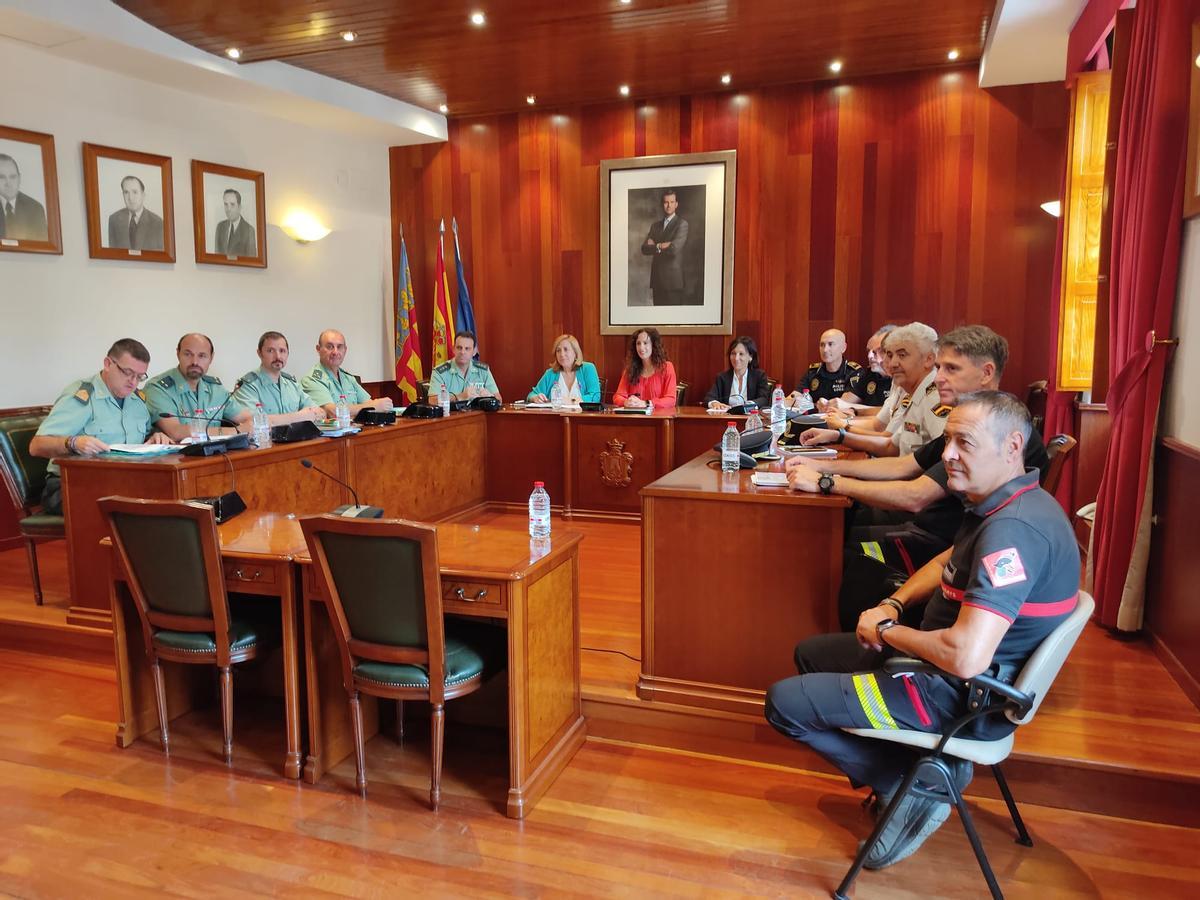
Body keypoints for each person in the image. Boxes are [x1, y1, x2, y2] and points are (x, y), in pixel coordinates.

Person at [766, 391, 1080, 870]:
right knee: (813, 654)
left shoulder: (1013, 531)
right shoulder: (1011, 501)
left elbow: (966, 656)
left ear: (1013, 446)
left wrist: (890, 631)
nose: (948, 454)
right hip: (951, 676)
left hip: (957, 695)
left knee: (785, 704)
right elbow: (946, 561)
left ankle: (919, 782)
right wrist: (893, 602)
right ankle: (917, 771)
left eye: (965, 443)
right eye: (948, 439)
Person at [787, 325, 1049, 629]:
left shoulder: (991, 429)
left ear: (986, 372)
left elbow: (915, 495)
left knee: (835, 551)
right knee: (839, 533)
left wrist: (825, 482)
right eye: (939, 367)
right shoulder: (969, 417)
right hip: (939, 538)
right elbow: (903, 464)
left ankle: (847, 646)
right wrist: (824, 467)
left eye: (951, 368)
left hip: (946, 551)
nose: (938, 378)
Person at [30, 338, 174, 514]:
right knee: (130, 508)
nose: (133, 382)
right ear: (108, 364)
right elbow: (36, 446)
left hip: (124, 482)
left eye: (139, 376)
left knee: (170, 494)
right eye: (127, 372)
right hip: (70, 486)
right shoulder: (81, 397)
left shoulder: (137, 401)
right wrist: (72, 443)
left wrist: (155, 436)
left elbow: (142, 437)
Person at [799, 322, 946, 458]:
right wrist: (839, 432)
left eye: (901, 355)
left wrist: (843, 428)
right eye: (889, 354)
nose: (892, 362)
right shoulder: (905, 387)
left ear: (929, 359)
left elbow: (888, 440)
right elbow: (889, 440)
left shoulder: (935, 396)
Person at [145, 333, 253, 441]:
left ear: (211, 358)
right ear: (178, 354)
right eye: (188, 354)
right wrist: (236, 431)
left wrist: (250, 425)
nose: (195, 362)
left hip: (218, 455)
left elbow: (247, 418)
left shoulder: (215, 388)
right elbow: (176, 432)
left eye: (202, 356)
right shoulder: (158, 388)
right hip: (179, 456)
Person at [231, 331, 325, 424]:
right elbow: (253, 422)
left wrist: (309, 414)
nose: (278, 356)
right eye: (270, 351)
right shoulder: (247, 386)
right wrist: (302, 416)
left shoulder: (292, 384)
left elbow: (321, 412)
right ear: (259, 353)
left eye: (282, 351)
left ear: (288, 353)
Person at [300, 329, 395, 417]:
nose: (335, 352)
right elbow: (332, 412)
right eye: (330, 347)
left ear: (345, 350)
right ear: (318, 349)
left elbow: (369, 402)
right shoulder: (311, 380)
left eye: (339, 347)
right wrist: (373, 406)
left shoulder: (348, 378)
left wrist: (374, 405)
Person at [821, 324, 896, 413]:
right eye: (869, 351)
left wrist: (851, 407)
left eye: (878, 351)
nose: (870, 356)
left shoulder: (902, 378)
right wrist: (828, 405)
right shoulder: (870, 374)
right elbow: (844, 402)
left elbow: (890, 414)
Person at [789, 329, 863, 406]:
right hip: (814, 417)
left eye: (830, 344)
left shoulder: (854, 372)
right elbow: (794, 396)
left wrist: (815, 405)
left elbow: (844, 403)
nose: (825, 350)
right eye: (822, 345)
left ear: (843, 347)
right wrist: (780, 401)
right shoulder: (813, 371)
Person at [641, 189, 689, 305]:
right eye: (666, 202)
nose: (669, 205)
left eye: (672, 202)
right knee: (657, 320)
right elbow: (644, 249)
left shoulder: (682, 224)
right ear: (662, 204)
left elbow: (673, 249)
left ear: (676, 204)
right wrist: (661, 245)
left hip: (673, 283)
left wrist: (655, 246)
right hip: (657, 281)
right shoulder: (655, 226)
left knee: (673, 319)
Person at [612, 328, 678, 409]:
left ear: (653, 345)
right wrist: (626, 402)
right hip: (635, 418)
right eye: (638, 343)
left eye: (645, 343)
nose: (641, 347)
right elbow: (618, 396)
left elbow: (671, 400)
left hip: (658, 418)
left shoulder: (667, 367)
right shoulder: (630, 369)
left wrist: (646, 403)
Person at [429, 330, 502, 402]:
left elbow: (499, 399)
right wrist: (459, 397)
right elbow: (432, 400)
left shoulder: (483, 370)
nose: (462, 352)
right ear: (453, 349)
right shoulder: (440, 372)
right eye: (459, 348)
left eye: (467, 349)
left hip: (477, 413)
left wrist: (490, 397)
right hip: (451, 413)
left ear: (474, 352)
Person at [528, 334, 601, 404]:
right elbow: (532, 394)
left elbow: (595, 397)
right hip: (555, 416)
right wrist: (535, 398)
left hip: (582, 415)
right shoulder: (550, 373)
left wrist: (570, 401)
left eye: (566, 349)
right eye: (558, 350)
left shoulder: (588, 369)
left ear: (575, 353)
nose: (562, 354)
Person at [704, 336, 772, 411]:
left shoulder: (759, 376)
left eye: (741, 354)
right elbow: (709, 397)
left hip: (751, 418)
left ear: (750, 357)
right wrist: (714, 403)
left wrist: (750, 405)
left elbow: (764, 399)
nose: (736, 358)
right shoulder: (722, 377)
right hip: (727, 418)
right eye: (733, 353)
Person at [107, 175, 164, 251]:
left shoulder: (157, 222)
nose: (130, 198)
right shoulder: (114, 219)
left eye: (135, 192)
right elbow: (112, 255)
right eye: (126, 192)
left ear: (143, 195)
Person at [0, 153, 48, 242]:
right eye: (2, 177)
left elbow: (41, 246)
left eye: (13, 177)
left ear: (19, 178)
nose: (8, 183)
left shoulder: (36, 208)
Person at [214, 188, 257, 257]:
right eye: (226, 204)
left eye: (232, 204)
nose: (228, 209)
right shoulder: (220, 227)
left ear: (239, 207)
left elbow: (252, 260)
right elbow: (216, 257)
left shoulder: (249, 230)